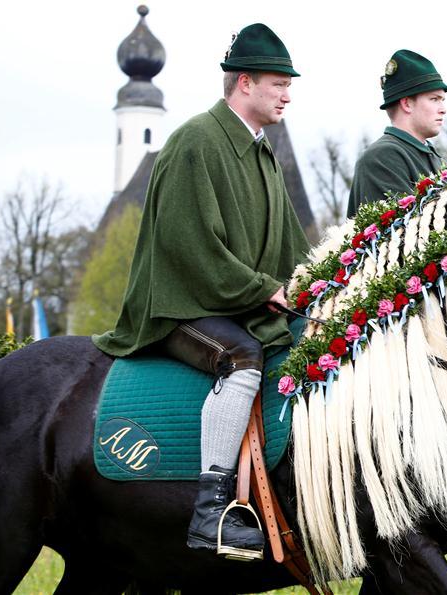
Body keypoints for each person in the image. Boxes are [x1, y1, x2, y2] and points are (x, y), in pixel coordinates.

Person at [93, 23, 309, 558]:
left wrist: (314, 287)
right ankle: (211, 512)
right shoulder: (195, 140)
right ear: (243, 83)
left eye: (289, 84)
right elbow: (193, 251)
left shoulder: (263, 153)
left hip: (231, 302)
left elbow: (289, 250)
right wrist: (267, 290)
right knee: (243, 357)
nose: (287, 93)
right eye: (277, 82)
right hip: (176, 307)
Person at [346, 49, 447, 217]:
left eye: (442, 100)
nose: (443, 110)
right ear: (407, 104)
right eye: (434, 99)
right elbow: (400, 236)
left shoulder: (433, 156)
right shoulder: (383, 157)